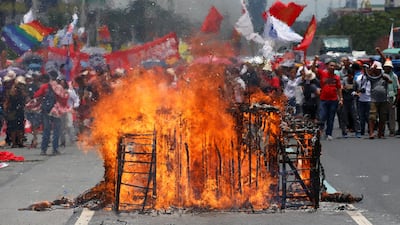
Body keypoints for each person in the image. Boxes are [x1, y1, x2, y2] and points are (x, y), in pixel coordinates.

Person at [33, 73, 69, 155]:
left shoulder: (45, 86)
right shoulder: (59, 87)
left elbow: (36, 95)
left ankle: (43, 149)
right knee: (56, 130)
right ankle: (55, 149)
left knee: (46, 130)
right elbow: (64, 98)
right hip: (56, 111)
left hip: (46, 110)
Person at [313, 57, 343, 140]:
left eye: (334, 66)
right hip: (323, 99)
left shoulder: (336, 77)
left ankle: (329, 133)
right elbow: (313, 70)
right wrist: (315, 61)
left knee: (331, 117)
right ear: (327, 66)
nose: (332, 67)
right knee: (322, 116)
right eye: (331, 66)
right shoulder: (323, 74)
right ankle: (320, 130)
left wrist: (341, 99)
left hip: (333, 100)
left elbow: (339, 88)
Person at [365, 61, 392, 139]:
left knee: (383, 117)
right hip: (374, 100)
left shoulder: (385, 76)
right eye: (377, 69)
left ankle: (380, 133)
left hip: (383, 100)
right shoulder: (372, 77)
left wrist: (385, 78)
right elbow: (367, 75)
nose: (378, 71)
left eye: (379, 69)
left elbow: (390, 81)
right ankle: (371, 133)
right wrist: (372, 69)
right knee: (372, 116)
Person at [4, 76, 27, 147]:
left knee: (20, 127)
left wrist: (21, 90)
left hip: (20, 111)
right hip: (12, 111)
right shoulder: (11, 91)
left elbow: (25, 97)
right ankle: (14, 143)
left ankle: (20, 142)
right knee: (13, 127)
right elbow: (8, 100)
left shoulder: (22, 92)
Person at [382, 60, 399, 137]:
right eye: (386, 67)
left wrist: (396, 100)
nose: (387, 69)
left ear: (391, 68)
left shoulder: (394, 76)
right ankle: (381, 130)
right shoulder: (382, 75)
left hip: (391, 97)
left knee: (391, 115)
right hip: (382, 96)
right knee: (383, 115)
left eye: (388, 67)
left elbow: (398, 88)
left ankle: (392, 130)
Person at [354, 63, 371, 136]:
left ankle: (371, 130)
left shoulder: (371, 78)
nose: (365, 69)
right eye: (363, 68)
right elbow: (355, 88)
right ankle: (362, 130)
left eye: (366, 68)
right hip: (361, 99)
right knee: (361, 116)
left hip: (369, 99)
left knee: (369, 116)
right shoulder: (358, 78)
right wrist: (357, 92)